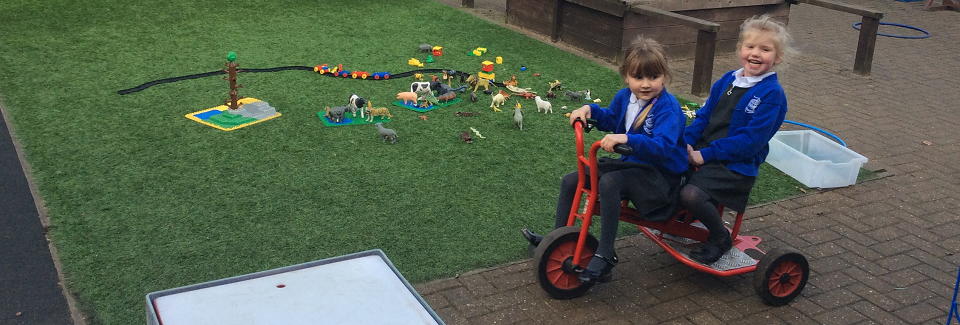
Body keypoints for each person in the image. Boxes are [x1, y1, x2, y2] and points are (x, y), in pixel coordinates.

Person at [522, 37, 688, 284]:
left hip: (660, 176)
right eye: (638, 77)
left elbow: (662, 148)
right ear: (626, 77)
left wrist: (626, 138)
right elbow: (611, 118)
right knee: (572, 180)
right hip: (634, 166)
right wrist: (588, 111)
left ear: (664, 77)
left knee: (610, 182)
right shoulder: (625, 97)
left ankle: (606, 254)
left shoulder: (668, 108)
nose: (645, 84)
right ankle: (556, 239)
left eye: (653, 77)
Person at [681, 15, 792, 264]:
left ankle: (720, 237)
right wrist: (687, 141)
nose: (755, 53)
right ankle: (679, 217)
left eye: (765, 49)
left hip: (735, 166)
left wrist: (705, 154)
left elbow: (750, 141)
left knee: (692, 195)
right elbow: (704, 116)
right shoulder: (728, 80)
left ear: (778, 56)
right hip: (703, 150)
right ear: (740, 49)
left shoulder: (772, 94)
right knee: (667, 168)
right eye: (750, 46)